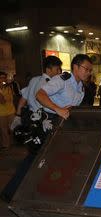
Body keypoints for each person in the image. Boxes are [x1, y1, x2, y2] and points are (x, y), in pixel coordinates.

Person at [0, 56, 63, 203]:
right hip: (43, 125)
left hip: (33, 124)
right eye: (57, 68)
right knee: (35, 158)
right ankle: (13, 191)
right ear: (49, 69)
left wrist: (18, 114)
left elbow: (23, 99)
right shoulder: (50, 83)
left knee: (35, 157)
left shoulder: (34, 80)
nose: (59, 71)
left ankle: (18, 191)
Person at [36, 53, 92, 121]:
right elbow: (39, 94)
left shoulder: (81, 87)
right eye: (86, 69)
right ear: (75, 67)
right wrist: (57, 109)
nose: (89, 73)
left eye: (90, 70)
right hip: (51, 119)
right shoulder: (62, 80)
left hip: (66, 120)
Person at [0, 71, 15, 150]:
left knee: (11, 128)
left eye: (4, 77)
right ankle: (6, 145)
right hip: (1, 112)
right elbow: (2, 101)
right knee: (3, 129)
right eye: (1, 78)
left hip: (10, 110)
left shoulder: (9, 87)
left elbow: (9, 99)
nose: (3, 79)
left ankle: (12, 142)